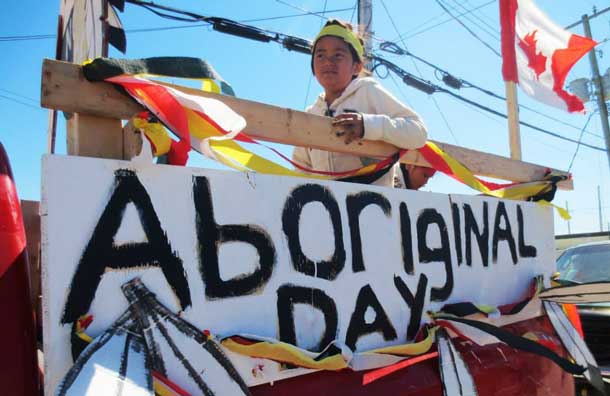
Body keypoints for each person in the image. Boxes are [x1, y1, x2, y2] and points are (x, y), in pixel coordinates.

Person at [292, 19, 428, 187]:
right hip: (327, 208)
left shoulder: (368, 92)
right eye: (320, 55)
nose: (328, 61)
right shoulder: (311, 114)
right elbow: (301, 169)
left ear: (356, 67)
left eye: (338, 55)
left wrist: (368, 126)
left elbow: (418, 132)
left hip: (375, 207)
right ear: (312, 67)